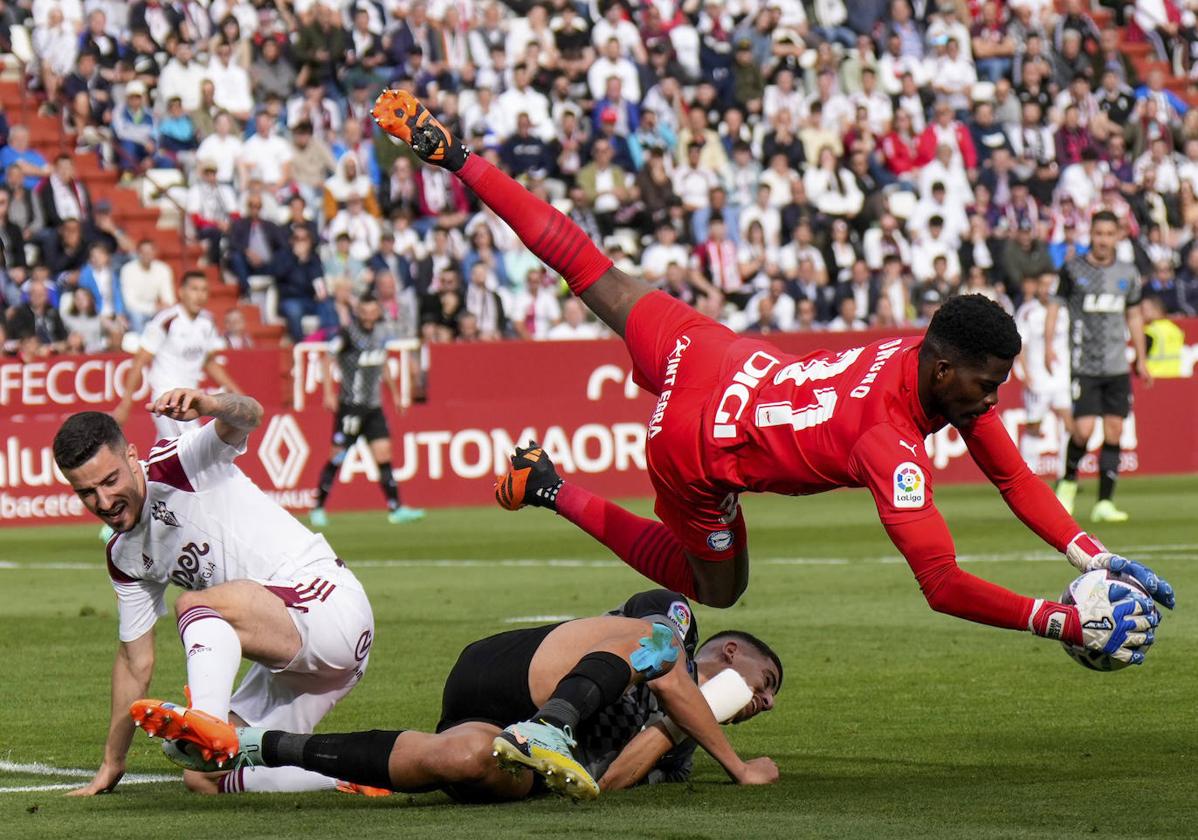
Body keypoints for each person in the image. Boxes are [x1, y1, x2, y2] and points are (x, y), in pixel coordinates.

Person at [375, 90, 1173, 664]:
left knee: (589, 266)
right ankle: (548, 485)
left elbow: (1010, 471)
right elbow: (940, 582)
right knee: (716, 589)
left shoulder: (924, 362)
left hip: (712, 352)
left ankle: (459, 155)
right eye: (988, 382)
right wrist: (1059, 622)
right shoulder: (886, 443)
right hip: (696, 441)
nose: (995, 396)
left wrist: (1092, 559)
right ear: (944, 369)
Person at [130, 589, 779, 802]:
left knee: (461, 762)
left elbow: (606, 787)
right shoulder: (682, 628)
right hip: (520, 673)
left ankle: (245, 747)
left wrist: (679, 727)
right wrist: (742, 767)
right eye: (765, 682)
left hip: (501, 739)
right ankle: (552, 724)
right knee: (656, 646)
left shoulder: (681, 747)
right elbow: (655, 638)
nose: (766, 700)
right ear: (730, 654)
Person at [52, 397, 376, 796]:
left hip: (330, 607)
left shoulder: (178, 464)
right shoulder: (124, 555)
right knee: (205, 775)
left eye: (110, 481)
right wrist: (112, 761)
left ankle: (206, 721)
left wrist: (209, 403)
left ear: (133, 457)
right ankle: (360, 775)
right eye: (87, 492)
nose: (103, 502)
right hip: (300, 668)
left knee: (193, 604)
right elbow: (135, 663)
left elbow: (251, 415)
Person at [1046, 211, 1151, 523]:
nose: (1103, 239)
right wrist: (1050, 343)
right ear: (1090, 235)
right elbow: (1055, 305)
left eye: (1109, 233)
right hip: (1084, 363)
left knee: (1115, 429)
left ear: (1117, 236)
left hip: (1117, 364)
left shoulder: (1127, 273)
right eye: (1098, 233)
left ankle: (1104, 502)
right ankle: (1066, 483)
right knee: (1083, 430)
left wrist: (1141, 358)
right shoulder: (1073, 269)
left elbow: (1133, 316)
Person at [310, 293, 424, 528]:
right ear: (358, 312)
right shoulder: (347, 334)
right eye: (365, 312)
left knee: (384, 454)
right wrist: (329, 393)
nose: (369, 316)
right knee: (338, 456)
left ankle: (396, 508)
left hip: (374, 407)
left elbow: (381, 364)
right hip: (351, 407)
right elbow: (327, 358)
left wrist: (394, 394)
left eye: (373, 311)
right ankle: (318, 508)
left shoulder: (382, 333)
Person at [114, 271, 241, 439]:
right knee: (187, 449)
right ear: (181, 292)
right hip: (167, 396)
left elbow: (209, 362)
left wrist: (236, 391)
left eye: (204, 290)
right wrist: (126, 403)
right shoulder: (167, 320)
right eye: (194, 289)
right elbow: (140, 361)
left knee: (168, 456)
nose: (199, 295)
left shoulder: (207, 322)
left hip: (191, 398)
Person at [1014, 273, 1073, 473]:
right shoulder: (1028, 311)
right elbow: (1021, 345)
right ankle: (1027, 472)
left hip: (1062, 376)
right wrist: (1026, 374)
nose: (1047, 289)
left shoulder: (1065, 309)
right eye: (1043, 284)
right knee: (1034, 426)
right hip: (1038, 377)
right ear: (1037, 287)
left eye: (1051, 284)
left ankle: (1066, 473)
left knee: (1068, 423)